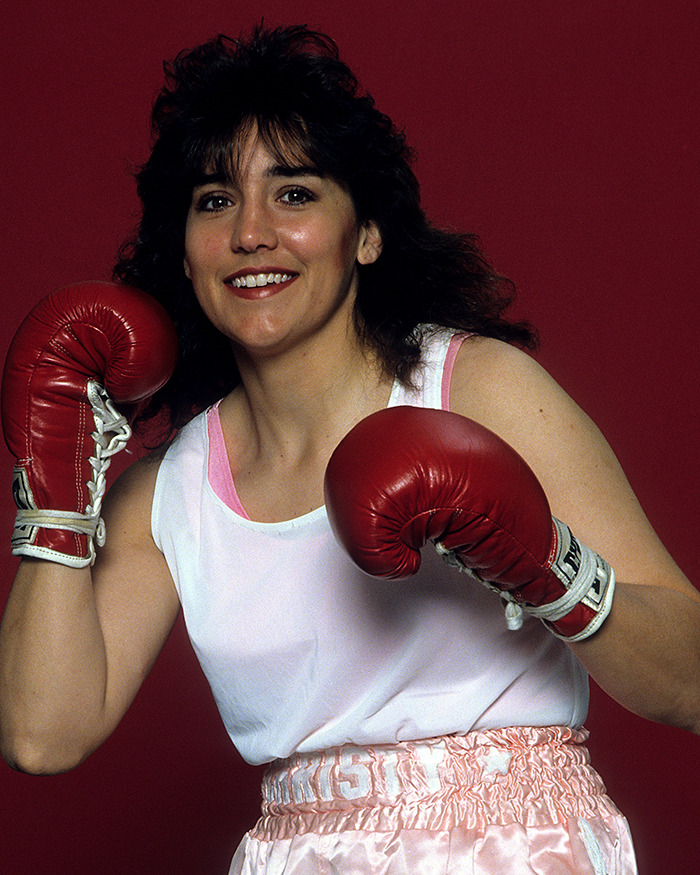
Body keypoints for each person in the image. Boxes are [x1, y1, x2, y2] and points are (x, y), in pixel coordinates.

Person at [0, 23, 698, 874]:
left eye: (294, 193)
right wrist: (58, 484)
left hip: (519, 849)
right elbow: (42, 734)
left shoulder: (474, 391)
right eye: (215, 200)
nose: (252, 232)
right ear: (183, 254)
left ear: (365, 233)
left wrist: (548, 566)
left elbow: (691, 681)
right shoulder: (172, 490)